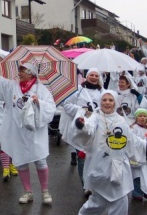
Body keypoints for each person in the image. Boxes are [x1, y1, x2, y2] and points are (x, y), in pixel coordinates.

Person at [0, 55, 56, 205]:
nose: (19, 73)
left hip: (35, 133)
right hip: (17, 131)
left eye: (22, 70)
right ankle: (27, 192)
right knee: (21, 161)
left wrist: (40, 103)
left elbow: (51, 108)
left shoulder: (41, 89)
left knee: (40, 161)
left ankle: (45, 191)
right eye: (19, 70)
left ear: (31, 73)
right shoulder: (12, 86)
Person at [72, 90, 146, 215]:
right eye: (104, 100)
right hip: (100, 168)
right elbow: (88, 127)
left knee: (121, 201)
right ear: (100, 102)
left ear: (115, 102)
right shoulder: (95, 117)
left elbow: (132, 141)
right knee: (96, 203)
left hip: (119, 169)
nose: (107, 103)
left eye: (110, 100)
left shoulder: (121, 121)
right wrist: (82, 125)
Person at [59, 68, 103, 196]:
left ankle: (95, 184)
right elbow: (66, 105)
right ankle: (86, 186)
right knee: (83, 157)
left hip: (97, 130)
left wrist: (95, 113)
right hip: (81, 130)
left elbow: (108, 108)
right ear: (86, 77)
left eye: (96, 75)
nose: (93, 77)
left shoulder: (103, 92)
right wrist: (82, 110)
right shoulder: (78, 91)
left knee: (96, 157)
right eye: (91, 75)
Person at [129, 108, 147, 202]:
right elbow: (132, 140)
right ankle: (137, 193)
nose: (142, 118)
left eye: (144, 116)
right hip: (137, 156)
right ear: (136, 118)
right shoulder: (133, 128)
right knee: (137, 176)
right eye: (140, 116)